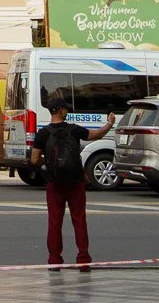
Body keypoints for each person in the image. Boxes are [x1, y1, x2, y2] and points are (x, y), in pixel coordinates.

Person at [30, 96, 116, 270]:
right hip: (75, 183)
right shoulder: (74, 130)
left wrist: (46, 163)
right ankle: (83, 259)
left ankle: (54, 260)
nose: (67, 111)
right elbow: (97, 135)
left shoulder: (43, 133)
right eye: (66, 109)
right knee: (79, 220)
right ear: (61, 110)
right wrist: (109, 123)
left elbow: (34, 159)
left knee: (54, 222)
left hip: (54, 184)